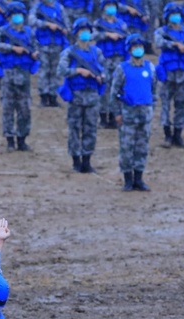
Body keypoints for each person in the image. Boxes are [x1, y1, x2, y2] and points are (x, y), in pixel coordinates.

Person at [58, 17, 106, 173]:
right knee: (74, 128)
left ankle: (87, 160)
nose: (84, 34)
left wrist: (102, 77)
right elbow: (61, 70)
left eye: (87, 31)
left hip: (92, 95)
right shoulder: (69, 52)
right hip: (77, 95)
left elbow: (104, 70)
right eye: (81, 31)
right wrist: (78, 71)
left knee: (91, 128)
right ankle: (76, 161)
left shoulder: (96, 52)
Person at [110, 32, 155, 190]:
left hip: (145, 114)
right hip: (128, 114)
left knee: (142, 147)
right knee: (127, 147)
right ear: (129, 50)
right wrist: (117, 113)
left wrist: (151, 108)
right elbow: (114, 92)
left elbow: (153, 89)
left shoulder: (150, 67)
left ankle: (139, 178)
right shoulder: (122, 69)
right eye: (135, 47)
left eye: (140, 47)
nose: (138, 49)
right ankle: (128, 179)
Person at [0, 1, 38, 151]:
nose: (17, 17)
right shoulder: (2, 32)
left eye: (20, 14)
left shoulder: (29, 32)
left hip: (24, 74)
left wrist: (35, 54)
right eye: (14, 15)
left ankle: (22, 139)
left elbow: (36, 48)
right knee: (8, 107)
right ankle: (10, 140)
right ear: (9, 17)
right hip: (8, 73)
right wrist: (12, 48)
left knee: (24, 108)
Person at [154, 5, 184, 147]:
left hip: (183, 72)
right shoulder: (162, 31)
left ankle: (178, 134)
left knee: (182, 104)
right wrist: (174, 45)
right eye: (172, 14)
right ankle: (167, 135)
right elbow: (158, 42)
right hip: (168, 73)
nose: (175, 17)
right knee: (165, 104)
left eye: (177, 14)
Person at [94, 0, 129, 129]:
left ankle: (115, 116)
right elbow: (92, 35)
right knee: (104, 88)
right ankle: (103, 116)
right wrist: (107, 34)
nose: (111, 8)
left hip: (118, 59)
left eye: (113, 6)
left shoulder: (121, 24)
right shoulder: (99, 23)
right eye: (108, 6)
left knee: (118, 88)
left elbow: (128, 41)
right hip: (104, 60)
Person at [29, 0, 69, 107]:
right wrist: (46, 24)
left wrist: (64, 29)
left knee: (55, 71)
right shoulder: (37, 7)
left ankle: (53, 96)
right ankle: (43, 96)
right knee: (44, 71)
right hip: (43, 43)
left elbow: (66, 24)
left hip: (57, 43)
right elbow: (31, 20)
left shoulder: (59, 8)